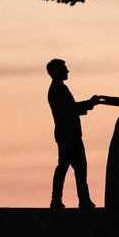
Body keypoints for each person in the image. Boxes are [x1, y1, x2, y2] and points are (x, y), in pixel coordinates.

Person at [46, 59, 99, 210]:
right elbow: (70, 109)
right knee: (72, 167)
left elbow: (70, 108)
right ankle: (76, 200)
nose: (67, 71)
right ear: (56, 71)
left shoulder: (59, 88)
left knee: (73, 167)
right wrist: (89, 104)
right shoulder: (58, 90)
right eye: (64, 69)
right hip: (69, 135)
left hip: (68, 134)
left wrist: (89, 104)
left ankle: (78, 200)